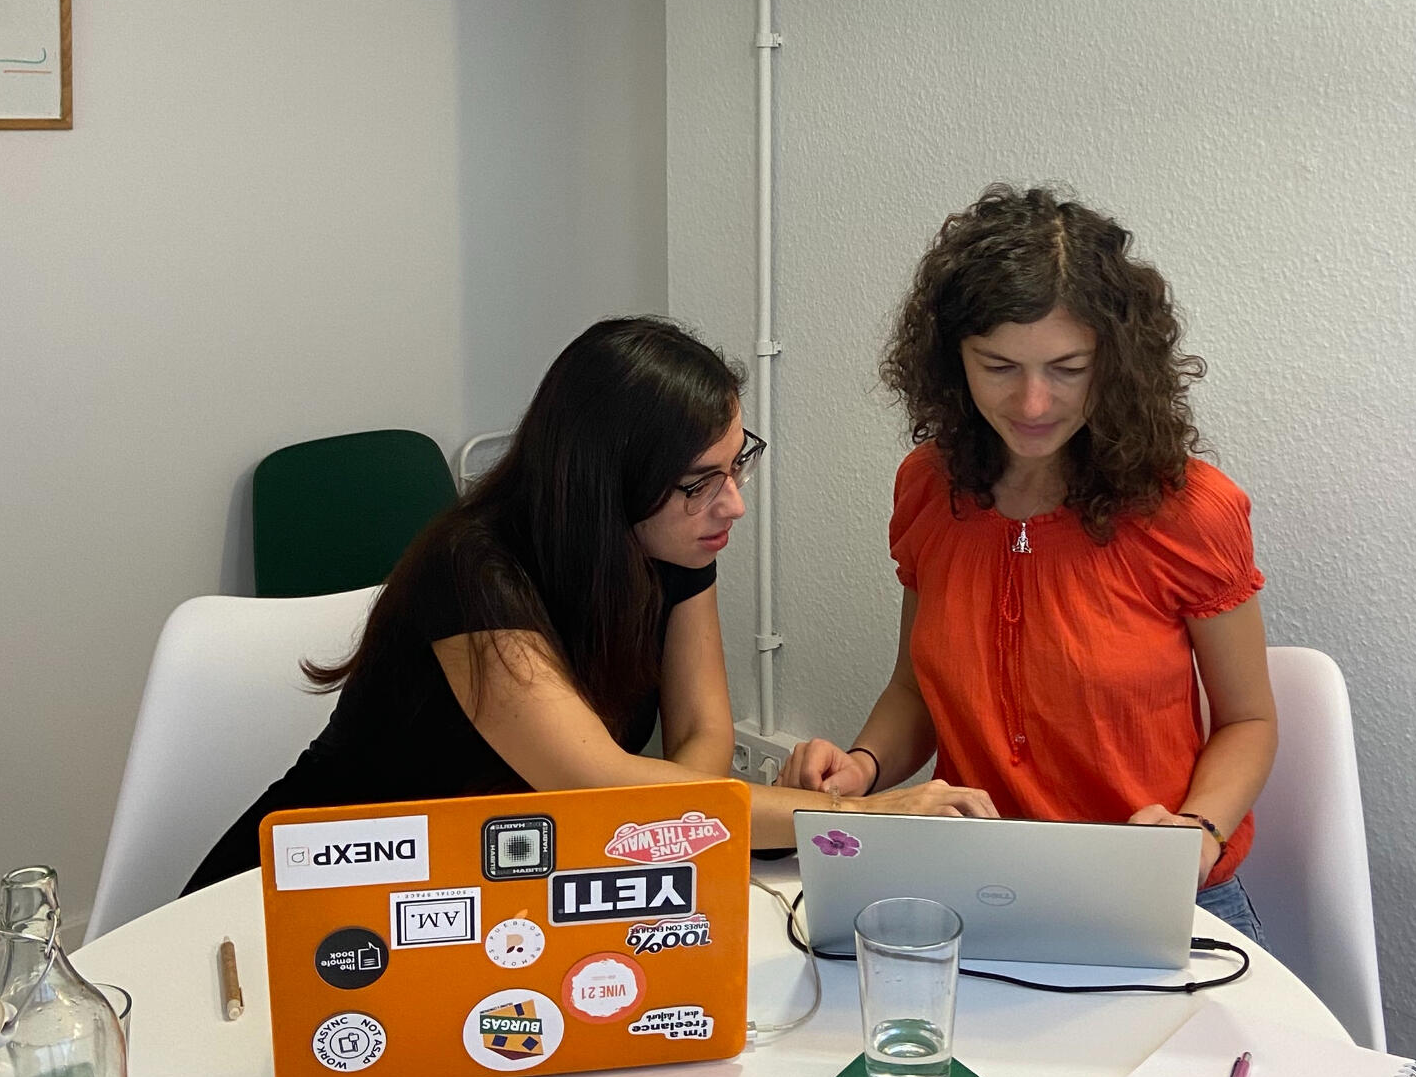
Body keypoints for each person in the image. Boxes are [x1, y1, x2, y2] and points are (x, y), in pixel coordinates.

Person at [186, 316, 994, 890]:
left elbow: (702, 734)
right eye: (698, 483)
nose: (732, 504)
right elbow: (601, 784)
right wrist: (868, 814)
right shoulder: (473, 573)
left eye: (736, 464)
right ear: (607, 485)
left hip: (484, 880)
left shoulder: (672, 545)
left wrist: (670, 827)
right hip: (310, 887)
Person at [781, 188, 1277, 939]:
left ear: (1116, 363)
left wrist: (1197, 832)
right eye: (999, 366)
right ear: (953, 361)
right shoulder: (929, 487)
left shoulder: (1188, 509)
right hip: (977, 883)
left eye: (1068, 368)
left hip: (1156, 890)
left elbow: (1249, 720)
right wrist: (862, 767)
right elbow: (916, 688)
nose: (1034, 402)